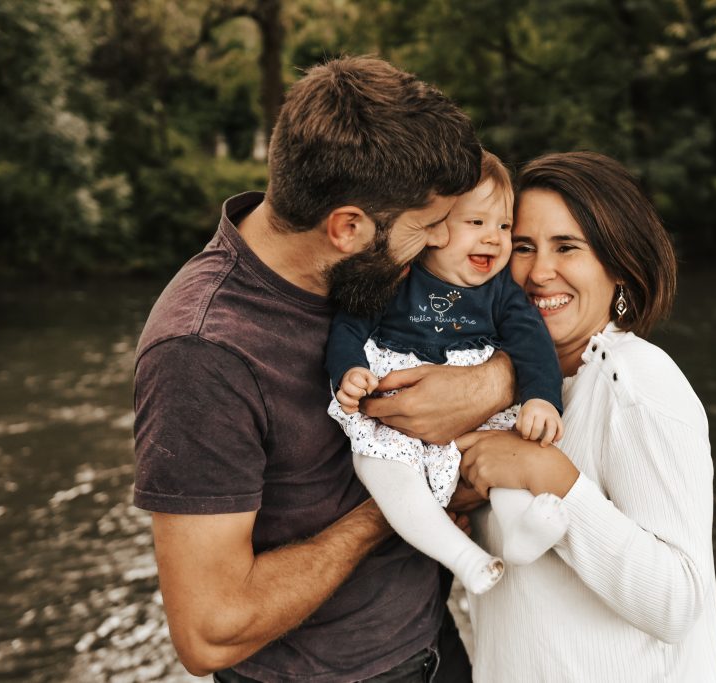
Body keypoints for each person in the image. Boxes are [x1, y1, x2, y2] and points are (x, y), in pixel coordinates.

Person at [132, 56, 516, 682]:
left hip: (433, 643)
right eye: (426, 228)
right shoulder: (202, 354)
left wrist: (490, 382)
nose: (444, 242)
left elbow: (530, 331)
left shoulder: (363, 268)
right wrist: (391, 512)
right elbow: (209, 631)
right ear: (347, 228)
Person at [457, 151, 716, 681]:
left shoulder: (638, 382)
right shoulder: (506, 386)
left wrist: (550, 478)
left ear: (619, 266)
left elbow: (678, 601)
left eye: (567, 248)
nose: (538, 272)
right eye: (523, 247)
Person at [325, 151, 567, 596]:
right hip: (393, 405)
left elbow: (534, 347)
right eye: (477, 223)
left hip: (475, 417)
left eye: (504, 226)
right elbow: (348, 325)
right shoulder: (398, 275)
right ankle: (462, 557)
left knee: (507, 455)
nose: (494, 239)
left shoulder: (502, 294)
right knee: (380, 467)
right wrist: (350, 370)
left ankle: (519, 533)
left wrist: (541, 398)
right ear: (435, 229)